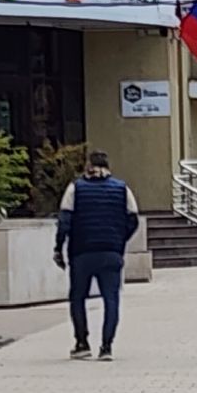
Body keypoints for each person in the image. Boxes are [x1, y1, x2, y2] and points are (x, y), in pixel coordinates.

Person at [54, 150, 139, 361]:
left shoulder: (75, 188)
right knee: (111, 299)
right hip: (111, 252)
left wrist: (59, 248)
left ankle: (82, 343)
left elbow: (64, 221)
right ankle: (106, 346)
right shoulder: (122, 188)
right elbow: (133, 219)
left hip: (81, 252)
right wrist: (119, 239)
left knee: (78, 297)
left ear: (88, 166)